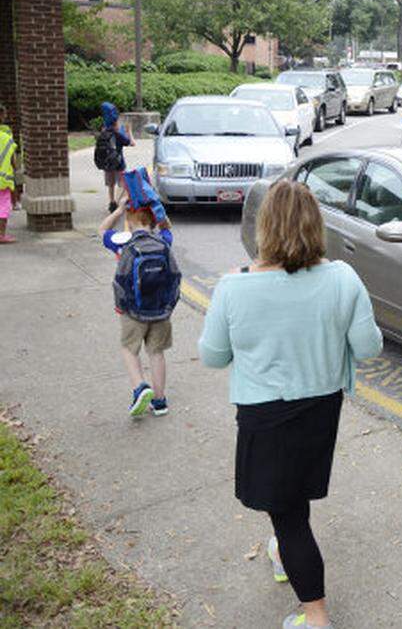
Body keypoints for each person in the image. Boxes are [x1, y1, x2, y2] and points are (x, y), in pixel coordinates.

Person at [198, 181, 382, 629]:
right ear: (315, 225)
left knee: (288, 511)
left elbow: (213, 356)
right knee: (292, 497)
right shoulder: (342, 278)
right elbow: (368, 347)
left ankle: (316, 617)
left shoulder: (233, 288)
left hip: (266, 413)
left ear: (264, 228)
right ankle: (283, 552)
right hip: (321, 409)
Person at [99, 189, 178, 417]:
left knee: (129, 349)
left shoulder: (122, 241)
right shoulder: (163, 240)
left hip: (132, 311)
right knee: (156, 352)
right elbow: (167, 227)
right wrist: (157, 209)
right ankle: (160, 401)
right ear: (153, 219)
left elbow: (102, 230)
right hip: (161, 310)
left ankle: (140, 386)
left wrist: (120, 210)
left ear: (129, 221)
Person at [98, 102, 134, 213]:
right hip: (119, 163)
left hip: (107, 164)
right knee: (122, 184)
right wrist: (129, 132)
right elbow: (131, 143)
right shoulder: (119, 134)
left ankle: (112, 201)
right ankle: (119, 203)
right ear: (116, 122)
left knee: (110, 184)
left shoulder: (103, 132)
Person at [0, 105, 19, 244]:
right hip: (3, 180)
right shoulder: (7, 138)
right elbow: (14, 162)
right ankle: (1, 235)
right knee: (3, 207)